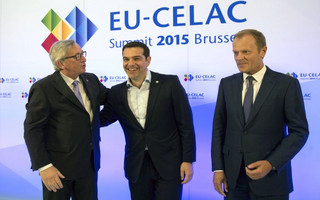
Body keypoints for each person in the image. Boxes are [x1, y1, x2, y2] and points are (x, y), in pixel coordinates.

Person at [211, 29, 309, 200]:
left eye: (245, 52)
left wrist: (271, 163)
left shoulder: (286, 84)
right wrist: (218, 169)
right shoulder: (227, 84)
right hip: (233, 181)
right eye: (235, 52)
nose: (239, 57)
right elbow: (219, 128)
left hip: (272, 180)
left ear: (263, 51)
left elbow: (299, 132)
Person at [100, 41, 196, 200]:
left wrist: (188, 160)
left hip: (169, 164)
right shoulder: (116, 92)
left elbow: (185, 125)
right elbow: (103, 120)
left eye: (136, 58)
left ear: (148, 60)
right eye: (126, 59)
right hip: (137, 165)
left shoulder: (169, 83)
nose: (130, 64)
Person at [24, 40, 109, 200]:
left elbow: (111, 100)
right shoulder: (44, 88)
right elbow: (32, 130)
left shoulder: (91, 80)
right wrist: (44, 166)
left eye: (82, 54)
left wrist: (133, 85)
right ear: (61, 63)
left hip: (89, 166)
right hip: (58, 170)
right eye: (77, 56)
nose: (83, 59)